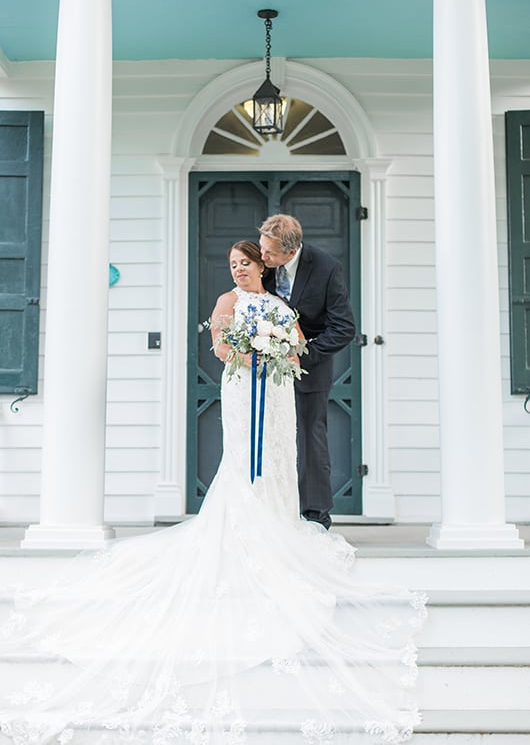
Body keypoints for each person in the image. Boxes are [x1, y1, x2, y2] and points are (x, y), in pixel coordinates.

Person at [0, 241, 425, 745]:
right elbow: (221, 349)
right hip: (244, 387)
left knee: (279, 457)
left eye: (244, 263)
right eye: (232, 265)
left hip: (279, 390)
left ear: (261, 265)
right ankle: (242, 526)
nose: (238, 270)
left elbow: (297, 345)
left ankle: (280, 522)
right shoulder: (227, 303)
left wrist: (278, 348)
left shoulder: (282, 305)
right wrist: (252, 349)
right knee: (244, 460)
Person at [259, 215, 356, 530]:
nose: (263, 258)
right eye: (262, 249)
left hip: (309, 368)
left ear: (290, 252)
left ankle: (315, 514)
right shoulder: (261, 264)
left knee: (311, 437)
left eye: (270, 253)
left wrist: (304, 354)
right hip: (263, 369)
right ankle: (269, 509)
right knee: (268, 435)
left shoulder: (326, 268)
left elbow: (344, 328)